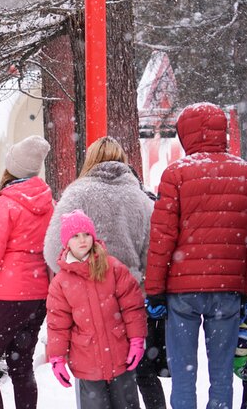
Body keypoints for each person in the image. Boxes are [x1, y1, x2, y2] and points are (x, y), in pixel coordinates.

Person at [42, 136, 165, 408]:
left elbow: (52, 251)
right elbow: (154, 254)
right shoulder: (140, 198)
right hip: (131, 301)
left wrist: (76, 274)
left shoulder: (76, 194)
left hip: (84, 305)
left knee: (91, 382)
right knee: (139, 375)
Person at [145, 102, 247, 409]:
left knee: (183, 374)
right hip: (228, 290)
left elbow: (162, 238)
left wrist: (155, 290)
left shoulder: (176, 175)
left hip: (182, 291)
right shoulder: (245, 173)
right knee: (221, 376)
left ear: (186, 135)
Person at [0, 135, 53, 409]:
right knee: (22, 365)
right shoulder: (49, 202)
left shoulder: (5, 204)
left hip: (6, 296)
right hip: (38, 296)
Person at [46, 210, 147, 409]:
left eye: (86, 234)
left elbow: (132, 307)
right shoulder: (61, 283)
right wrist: (57, 357)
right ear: (67, 242)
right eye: (75, 236)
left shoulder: (113, 268)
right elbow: (57, 324)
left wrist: (136, 339)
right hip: (87, 362)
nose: (82, 240)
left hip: (120, 355)